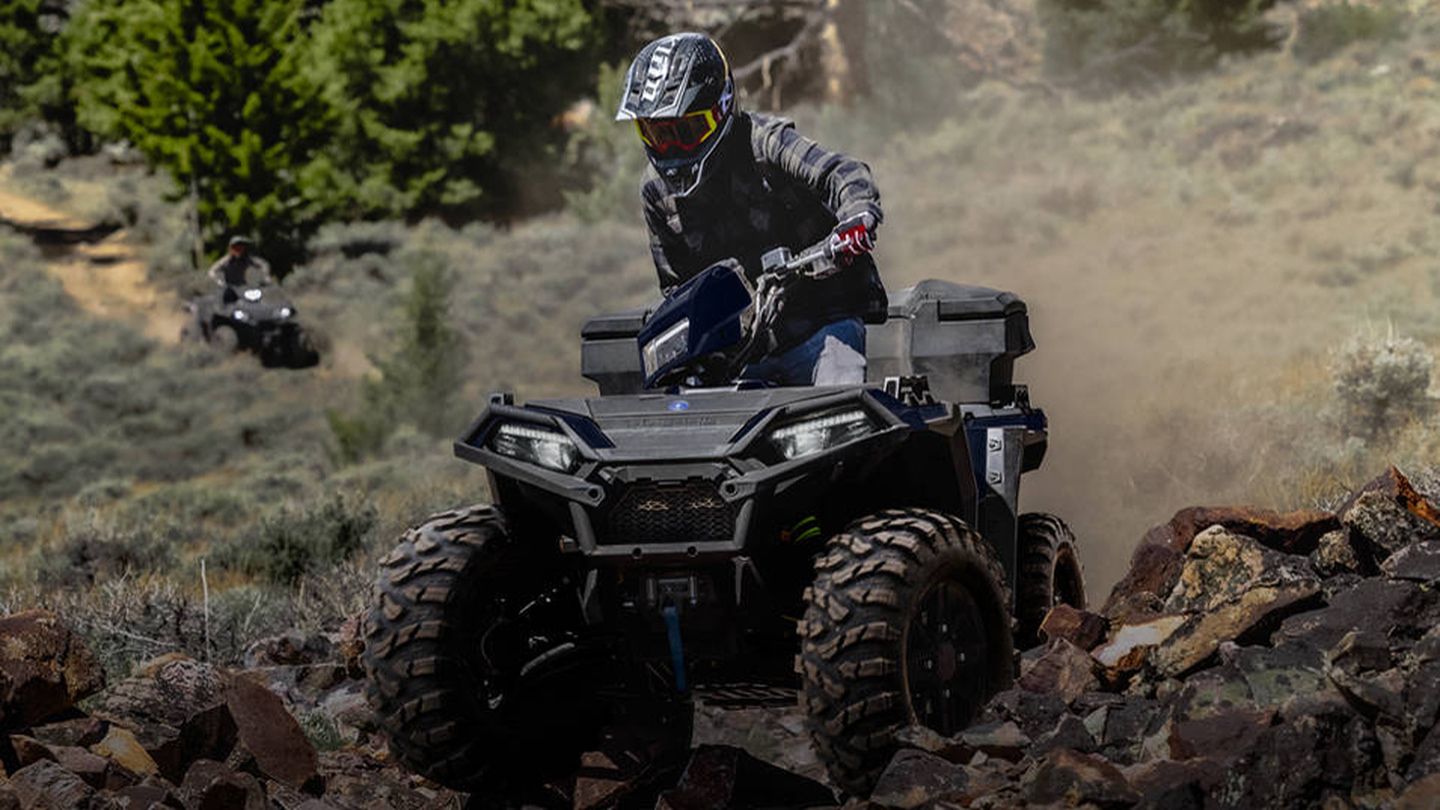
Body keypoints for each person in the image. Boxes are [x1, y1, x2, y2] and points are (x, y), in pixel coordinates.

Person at [616, 32, 885, 386]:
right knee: (682, 405)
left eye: (687, 129)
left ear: (722, 108)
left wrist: (855, 220)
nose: (671, 147)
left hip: (822, 325)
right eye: (657, 134)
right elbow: (676, 288)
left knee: (841, 393)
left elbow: (843, 173)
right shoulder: (655, 191)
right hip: (742, 354)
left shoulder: (765, 141)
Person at [207, 235, 273, 290]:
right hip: (230, 289)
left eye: (241, 247)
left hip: (243, 287)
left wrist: (266, 276)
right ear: (231, 248)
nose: (240, 249)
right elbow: (211, 271)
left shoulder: (246, 259)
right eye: (237, 247)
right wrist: (218, 281)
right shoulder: (226, 261)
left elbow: (264, 264)